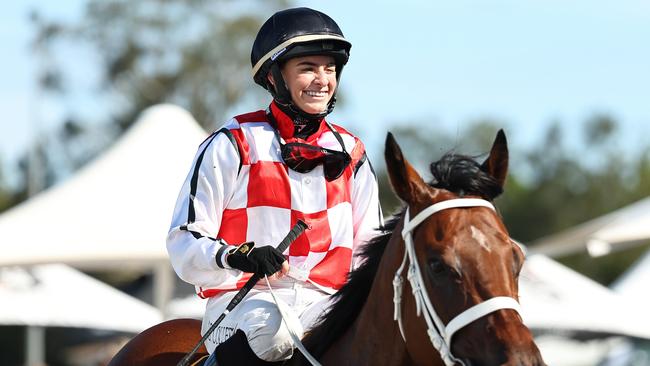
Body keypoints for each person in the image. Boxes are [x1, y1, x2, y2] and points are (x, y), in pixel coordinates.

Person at [166, 7, 382, 365]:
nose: (322, 80)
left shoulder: (352, 153)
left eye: (330, 68)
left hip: (323, 301)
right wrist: (237, 256)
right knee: (275, 333)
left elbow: (368, 249)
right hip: (241, 302)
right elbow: (184, 239)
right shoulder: (231, 143)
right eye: (308, 68)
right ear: (273, 77)